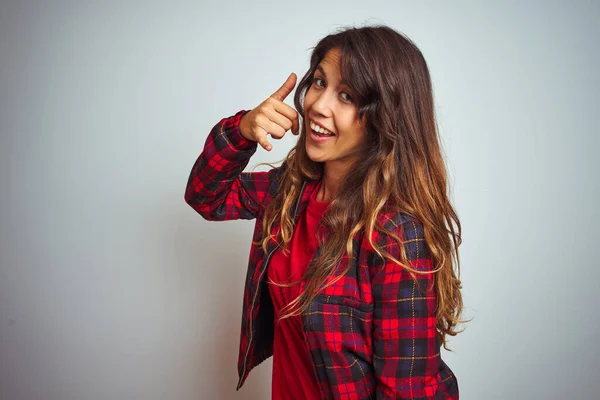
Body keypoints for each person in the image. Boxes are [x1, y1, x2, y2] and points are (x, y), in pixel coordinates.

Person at [185, 24, 465, 400]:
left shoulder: (396, 236)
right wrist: (242, 130)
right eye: (319, 82)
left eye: (346, 95)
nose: (318, 105)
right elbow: (206, 196)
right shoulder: (292, 190)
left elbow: (405, 392)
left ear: (385, 116)